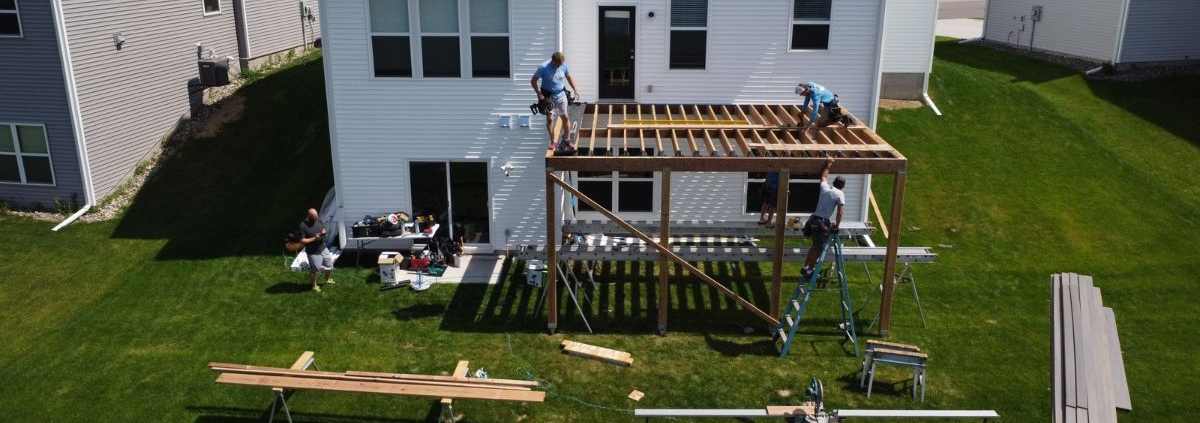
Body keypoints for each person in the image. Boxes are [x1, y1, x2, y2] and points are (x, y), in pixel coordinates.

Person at [801, 158, 845, 279]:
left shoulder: (825, 188)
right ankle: (810, 270)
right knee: (818, 248)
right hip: (821, 222)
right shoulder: (840, 194)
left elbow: (824, 177)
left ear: (834, 182)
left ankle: (806, 267)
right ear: (842, 186)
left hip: (813, 220)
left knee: (814, 246)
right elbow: (840, 212)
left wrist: (828, 165)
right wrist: (837, 226)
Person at [531, 52, 581, 150]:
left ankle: (567, 139)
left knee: (565, 117)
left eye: (561, 64)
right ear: (553, 61)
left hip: (561, 95)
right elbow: (533, 80)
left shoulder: (564, 65)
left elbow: (569, 77)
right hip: (548, 96)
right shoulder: (543, 67)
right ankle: (553, 141)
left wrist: (575, 89)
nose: (559, 66)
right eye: (558, 64)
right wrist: (538, 93)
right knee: (550, 119)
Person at [299, 208, 335, 292]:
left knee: (329, 266)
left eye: (316, 216)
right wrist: (315, 238)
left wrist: (323, 232)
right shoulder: (303, 225)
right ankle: (314, 286)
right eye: (314, 217)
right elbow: (303, 240)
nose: (316, 218)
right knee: (314, 270)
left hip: (322, 247)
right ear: (309, 216)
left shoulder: (317, 220)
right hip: (312, 251)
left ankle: (327, 279)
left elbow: (323, 228)